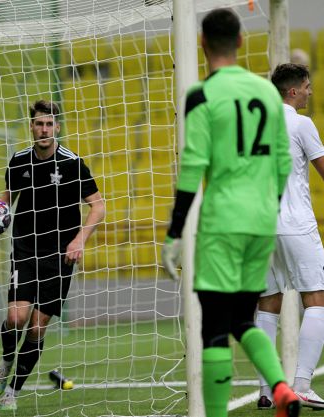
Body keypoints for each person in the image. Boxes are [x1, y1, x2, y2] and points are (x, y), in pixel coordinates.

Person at [160, 8, 299, 417]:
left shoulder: (202, 95)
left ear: (202, 43)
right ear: (241, 41)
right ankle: (282, 388)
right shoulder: (268, 94)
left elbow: (192, 168)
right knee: (243, 318)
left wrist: (174, 233)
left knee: (214, 330)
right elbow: (282, 162)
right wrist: (265, 210)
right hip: (261, 221)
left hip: (222, 223)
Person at [0, 99, 105, 411]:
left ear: (57, 127)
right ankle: (6, 361)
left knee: (36, 327)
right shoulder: (19, 161)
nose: (44, 129)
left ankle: (12, 392)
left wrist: (79, 241)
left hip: (60, 254)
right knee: (15, 318)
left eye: (49, 124)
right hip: (25, 247)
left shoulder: (72, 163)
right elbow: (5, 203)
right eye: (38, 124)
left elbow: (98, 205)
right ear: (31, 127)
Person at [256, 63, 324, 410]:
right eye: (307, 87)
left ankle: (267, 389)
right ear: (293, 91)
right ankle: (301, 385)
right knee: (317, 299)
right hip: (295, 224)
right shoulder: (301, 124)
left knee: (269, 301)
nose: (310, 92)